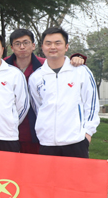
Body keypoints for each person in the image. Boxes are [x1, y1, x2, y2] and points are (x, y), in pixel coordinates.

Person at [0, 28, 88, 154]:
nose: (22, 47)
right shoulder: (3, 65)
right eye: (17, 43)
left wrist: (77, 58)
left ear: (33, 45)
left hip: (36, 130)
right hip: (4, 130)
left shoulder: (44, 66)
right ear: (11, 47)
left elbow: (60, 65)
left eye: (26, 43)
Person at [28, 26, 99, 158]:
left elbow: (91, 104)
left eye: (57, 43)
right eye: (48, 43)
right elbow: (38, 107)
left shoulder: (81, 71)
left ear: (66, 47)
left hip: (76, 142)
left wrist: (87, 133)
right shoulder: (36, 77)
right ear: (42, 47)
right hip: (47, 142)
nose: (53, 47)